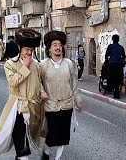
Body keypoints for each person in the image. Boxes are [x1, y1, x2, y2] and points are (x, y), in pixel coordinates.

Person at [0, 29, 44, 160]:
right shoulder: (10, 64)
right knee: (22, 149)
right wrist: (25, 66)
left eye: (31, 50)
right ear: (20, 48)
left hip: (33, 108)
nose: (29, 52)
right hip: (17, 109)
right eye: (26, 49)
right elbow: (13, 82)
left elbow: (39, 83)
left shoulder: (37, 65)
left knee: (27, 144)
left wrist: (41, 92)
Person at [40, 30, 82, 160]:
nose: (58, 47)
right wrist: (41, 91)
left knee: (63, 136)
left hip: (66, 105)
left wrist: (78, 101)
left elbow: (73, 84)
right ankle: (46, 152)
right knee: (51, 135)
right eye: (54, 45)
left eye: (59, 44)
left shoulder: (69, 63)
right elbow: (38, 82)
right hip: (50, 105)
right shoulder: (43, 65)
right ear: (50, 49)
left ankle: (57, 158)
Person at [105, 34, 126, 99]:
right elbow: (124, 56)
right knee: (118, 78)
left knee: (112, 77)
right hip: (119, 65)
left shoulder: (110, 46)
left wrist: (107, 61)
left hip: (112, 64)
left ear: (112, 39)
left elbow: (106, 55)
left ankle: (111, 89)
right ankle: (117, 92)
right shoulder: (121, 47)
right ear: (118, 40)